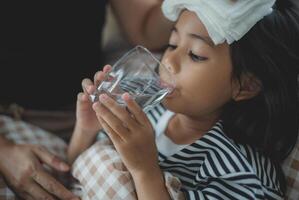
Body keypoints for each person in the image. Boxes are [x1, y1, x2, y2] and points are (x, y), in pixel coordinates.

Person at [68, 0, 299, 199]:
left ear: (245, 85)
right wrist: (86, 130)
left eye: (195, 55)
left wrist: (145, 171)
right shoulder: (147, 110)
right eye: (172, 44)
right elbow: (74, 176)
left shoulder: (239, 171)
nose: (169, 61)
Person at [0, 0, 173, 199]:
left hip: (80, 117)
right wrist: (4, 149)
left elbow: (145, 32)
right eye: (174, 46)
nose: (170, 63)